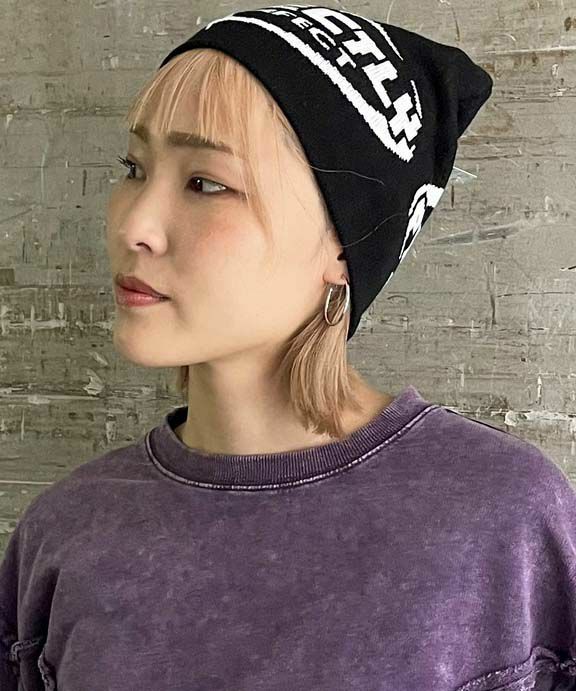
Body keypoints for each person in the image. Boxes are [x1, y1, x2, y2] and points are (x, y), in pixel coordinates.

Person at [2, 6, 576, 691]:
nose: (134, 225)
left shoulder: (505, 521)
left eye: (206, 183)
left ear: (345, 243)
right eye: (134, 167)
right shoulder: (67, 532)